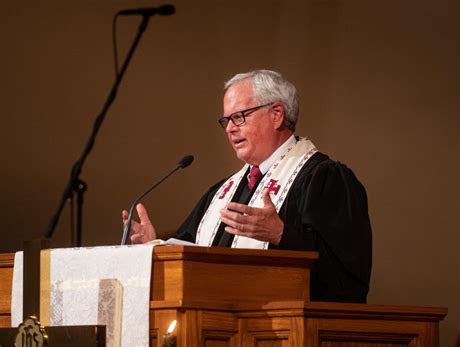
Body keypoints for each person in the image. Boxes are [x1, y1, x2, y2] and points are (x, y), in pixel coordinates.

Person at [122, 70, 372, 303]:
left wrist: (281, 235)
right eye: (226, 120)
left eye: (239, 117)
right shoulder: (223, 192)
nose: (230, 128)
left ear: (276, 114)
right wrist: (156, 249)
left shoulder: (325, 179)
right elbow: (193, 258)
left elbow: (347, 277)